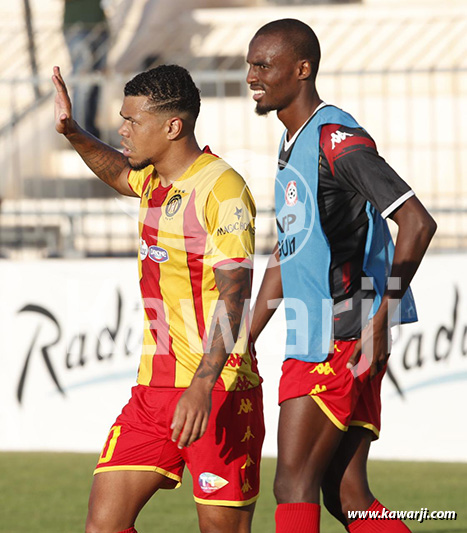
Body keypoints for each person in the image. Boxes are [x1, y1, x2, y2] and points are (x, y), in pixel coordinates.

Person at [52, 64, 264, 533]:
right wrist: (73, 132)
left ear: (173, 126)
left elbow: (235, 299)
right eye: (122, 120)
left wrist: (203, 386)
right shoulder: (153, 181)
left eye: (132, 122)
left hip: (220, 390)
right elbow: (117, 173)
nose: (123, 131)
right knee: (102, 526)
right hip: (154, 391)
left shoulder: (222, 189)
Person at [246, 19, 437, 533]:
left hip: (337, 337)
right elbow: (288, 256)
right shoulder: (296, 143)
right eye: (249, 64)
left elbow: (417, 221)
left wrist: (379, 322)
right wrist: (244, 338)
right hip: (341, 336)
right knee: (346, 494)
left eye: (263, 64)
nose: (251, 76)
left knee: (293, 485)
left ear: (302, 69)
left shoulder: (335, 136)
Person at [63, 0, 109, 137]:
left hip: (100, 26)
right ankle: (79, 134)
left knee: (96, 83)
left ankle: (91, 132)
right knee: (83, 83)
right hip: (77, 28)